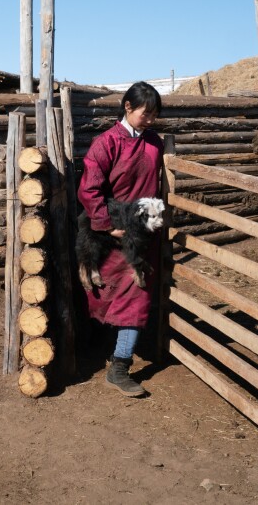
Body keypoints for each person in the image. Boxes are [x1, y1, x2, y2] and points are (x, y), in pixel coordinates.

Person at [76, 81, 164, 397]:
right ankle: (98, 346)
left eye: (155, 114)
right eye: (146, 113)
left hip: (140, 236)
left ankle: (120, 366)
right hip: (110, 232)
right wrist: (104, 224)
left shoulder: (156, 143)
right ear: (127, 107)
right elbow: (89, 188)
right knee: (102, 296)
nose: (151, 120)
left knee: (136, 298)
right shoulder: (106, 144)